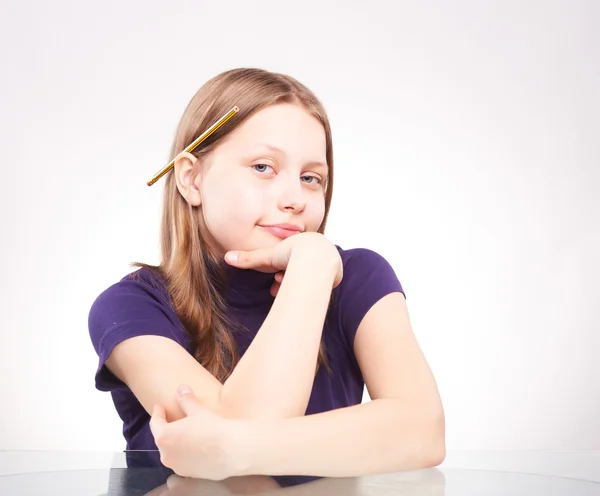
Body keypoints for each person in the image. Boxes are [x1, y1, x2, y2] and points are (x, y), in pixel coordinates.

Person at [88, 67, 446, 489]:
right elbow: (241, 452)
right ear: (190, 178)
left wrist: (312, 264)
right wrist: (311, 267)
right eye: (263, 167)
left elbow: (423, 432)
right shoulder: (129, 308)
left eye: (311, 178)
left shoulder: (359, 277)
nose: (295, 199)